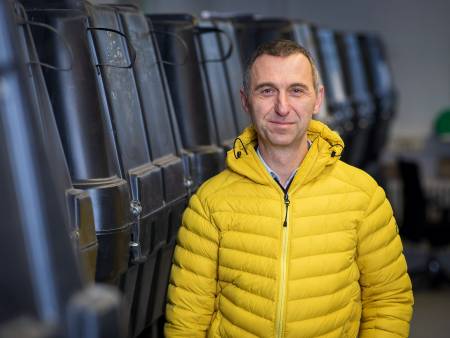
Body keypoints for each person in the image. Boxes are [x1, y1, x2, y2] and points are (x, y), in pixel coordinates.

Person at [164, 39, 413, 338]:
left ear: (317, 99)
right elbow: (186, 321)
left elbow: (388, 301)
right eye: (267, 90)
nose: (282, 107)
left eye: (296, 90)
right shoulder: (209, 203)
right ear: (245, 100)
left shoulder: (363, 196)